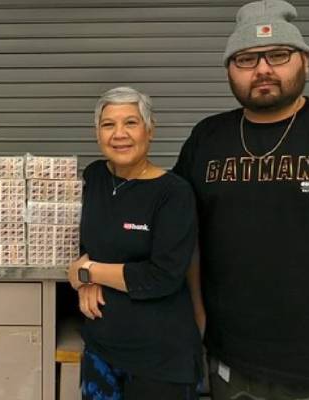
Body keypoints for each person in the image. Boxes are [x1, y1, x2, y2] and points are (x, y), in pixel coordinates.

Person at [173, 0, 309, 398]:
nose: (263, 69)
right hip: (230, 355)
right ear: (230, 70)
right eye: (246, 59)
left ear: (305, 62)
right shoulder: (206, 137)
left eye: (278, 55)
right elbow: (176, 228)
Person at [68, 87, 201, 400]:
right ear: (96, 133)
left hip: (159, 360)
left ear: (150, 130)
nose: (119, 134)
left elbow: (162, 276)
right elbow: (88, 241)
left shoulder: (173, 193)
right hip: (101, 350)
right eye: (108, 125)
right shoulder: (95, 177)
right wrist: (86, 277)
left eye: (130, 123)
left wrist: (88, 273)